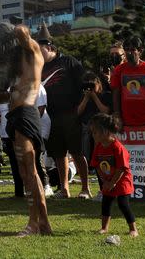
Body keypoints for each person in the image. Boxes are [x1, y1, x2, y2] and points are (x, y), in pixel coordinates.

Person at [0, 23, 52, 236]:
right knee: (26, 173)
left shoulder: (33, 51)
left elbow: (22, 32)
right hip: (15, 117)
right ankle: (44, 224)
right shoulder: (19, 66)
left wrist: (5, 28)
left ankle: (33, 224)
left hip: (25, 116)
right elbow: (12, 94)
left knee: (30, 171)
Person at [35, 25, 90, 199]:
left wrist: (80, 109)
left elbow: (85, 84)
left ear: (50, 47)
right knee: (58, 154)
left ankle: (85, 188)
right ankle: (64, 189)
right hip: (51, 117)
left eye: (40, 49)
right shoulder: (38, 68)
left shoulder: (69, 62)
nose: (37, 52)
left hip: (71, 115)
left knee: (77, 152)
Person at [89, 113, 138, 237]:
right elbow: (96, 164)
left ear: (105, 132)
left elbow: (121, 168)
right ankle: (104, 227)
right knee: (106, 203)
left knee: (123, 204)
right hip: (108, 180)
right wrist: (104, 181)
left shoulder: (118, 148)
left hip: (122, 180)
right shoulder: (98, 147)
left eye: (95, 132)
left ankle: (133, 229)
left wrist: (112, 183)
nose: (93, 135)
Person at [110, 36, 145, 128]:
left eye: (133, 49)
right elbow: (116, 95)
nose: (129, 52)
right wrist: (117, 117)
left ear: (140, 51)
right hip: (126, 123)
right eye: (126, 49)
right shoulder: (118, 71)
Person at [77, 71, 110, 169]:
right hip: (86, 126)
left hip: (101, 126)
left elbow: (105, 111)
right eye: (87, 85)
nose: (90, 88)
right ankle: (88, 163)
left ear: (98, 83)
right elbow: (78, 112)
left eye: (92, 84)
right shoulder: (82, 97)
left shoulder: (105, 95)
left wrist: (95, 97)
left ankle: (97, 162)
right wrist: (86, 98)